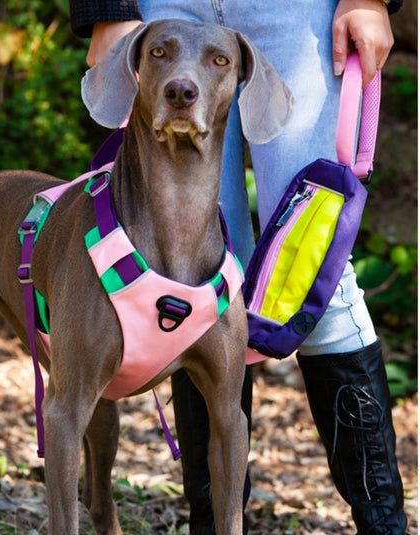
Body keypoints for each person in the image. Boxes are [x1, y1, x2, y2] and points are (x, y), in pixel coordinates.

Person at [68, 1, 409, 533]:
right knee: (191, 284)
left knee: (316, 273)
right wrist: (106, 6)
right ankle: (215, 524)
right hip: (165, 8)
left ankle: (382, 525)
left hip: (294, 14)